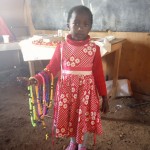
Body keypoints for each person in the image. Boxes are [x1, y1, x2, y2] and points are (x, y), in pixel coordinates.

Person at [28, 5, 109, 150]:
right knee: (72, 119)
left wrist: (104, 96)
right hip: (67, 95)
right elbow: (50, 69)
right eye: (76, 23)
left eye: (85, 24)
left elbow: (99, 75)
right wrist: (37, 79)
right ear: (68, 25)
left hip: (86, 95)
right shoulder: (61, 47)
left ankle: (82, 146)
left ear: (90, 27)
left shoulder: (94, 49)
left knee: (83, 120)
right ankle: (73, 143)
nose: (80, 28)